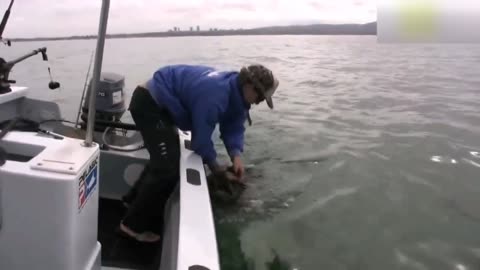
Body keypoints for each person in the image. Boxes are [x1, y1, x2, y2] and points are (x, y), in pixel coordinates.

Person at [119, 64, 279, 242]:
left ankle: (131, 201)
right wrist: (218, 171)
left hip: (165, 105)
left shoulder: (237, 95)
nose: (259, 103)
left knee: (164, 158)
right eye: (260, 98)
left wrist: (236, 156)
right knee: (168, 166)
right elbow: (200, 141)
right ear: (249, 86)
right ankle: (132, 226)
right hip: (150, 102)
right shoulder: (215, 94)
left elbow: (233, 126)